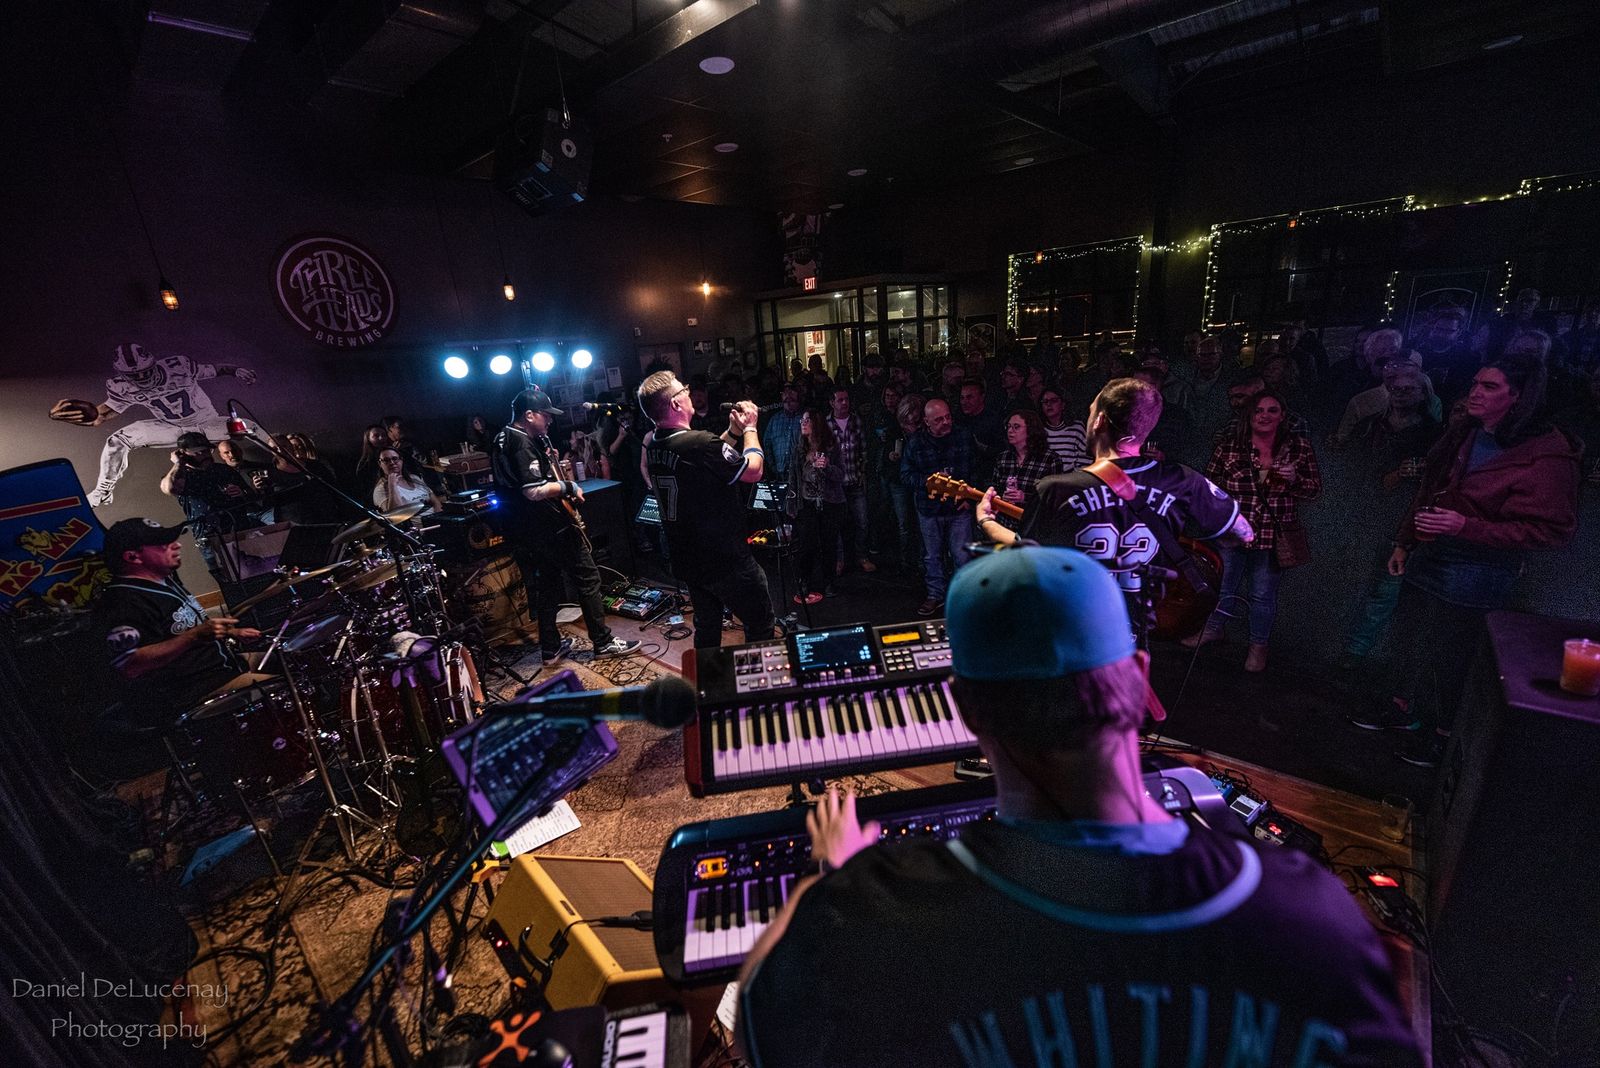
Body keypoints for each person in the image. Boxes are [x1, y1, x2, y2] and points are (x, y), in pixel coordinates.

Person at [736, 546, 1423, 1068]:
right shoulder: (1310, 912)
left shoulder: (865, 916)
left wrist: (835, 877)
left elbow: (758, 1032)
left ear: (965, 711)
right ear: (1141, 680)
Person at [1349, 354, 1580, 767]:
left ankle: (1441, 736)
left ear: (1518, 396)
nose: (1475, 392)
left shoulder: (1545, 454)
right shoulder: (1467, 430)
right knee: (1410, 636)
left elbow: (1552, 531)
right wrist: (1404, 542)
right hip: (1433, 549)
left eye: (1489, 387)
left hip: (1481, 567)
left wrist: (1466, 526)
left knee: (1452, 655)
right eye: (1475, 384)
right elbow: (1429, 490)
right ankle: (1402, 709)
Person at [977, 379, 1253, 594]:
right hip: (1138, 630)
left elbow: (1028, 554)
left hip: (1076, 626)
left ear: (1099, 421)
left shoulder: (1055, 488)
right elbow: (1243, 532)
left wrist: (987, 520)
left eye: (1090, 413)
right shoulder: (1182, 480)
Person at [491, 388, 640, 666]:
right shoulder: (521, 442)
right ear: (529, 415)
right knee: (588, 577)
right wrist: (567, 486)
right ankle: (603, 642)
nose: (550, 421)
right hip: (548, 525)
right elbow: (532, 490)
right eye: (545, 415)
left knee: (548, 584)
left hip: (526, 528)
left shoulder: (503, 436)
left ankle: (550, 649)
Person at [639, 370, 776, 649]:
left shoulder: (654, 443)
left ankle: (709, 676)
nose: (689, 393)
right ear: (675, 403)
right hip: (725, 560)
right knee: (760, 623)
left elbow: (709, 460)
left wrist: (733, 432)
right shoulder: (698, 443)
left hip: (689, 559)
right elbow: (753, 471)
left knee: (707, 626)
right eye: (684, 390)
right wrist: (750, 429)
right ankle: (757, 676)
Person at [1190, 391, 1323, 673]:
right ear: (1249, 416)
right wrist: (1220, 517)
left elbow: (1313, 491)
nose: (1264, 416)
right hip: (1234, 532)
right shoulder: (1230, 447)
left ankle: (1258, 647)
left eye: (1272, 410)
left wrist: (1294, 479)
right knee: (1222, 587)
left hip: (1272, 535)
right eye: (1259, 410)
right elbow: (1207, 488)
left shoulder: (1298, 448)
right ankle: (1213, 629)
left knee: (1262, 595)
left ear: (1282, 416)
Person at [93, 518, 259, 728]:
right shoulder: (123, 601)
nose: (176, 545)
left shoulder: (164, 581)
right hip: (195, 691)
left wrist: (230, 632)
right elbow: (130, 665)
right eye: (163, 544)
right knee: (288, 684)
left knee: (291, 655)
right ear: (133, 556)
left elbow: (181, 628)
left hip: (221, 668)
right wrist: (193, 636)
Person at [901, 398, 978, 616]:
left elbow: (975, 469)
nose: (945, 422)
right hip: (929, 508)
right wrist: (929, 481)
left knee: (962, 555)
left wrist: (970, 499)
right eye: (938, 420)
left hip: (959, 507)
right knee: (932, 556)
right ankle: (935, 595)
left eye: (947, 417)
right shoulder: (916, 442)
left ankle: (963, 596)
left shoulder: (963, 436)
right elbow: (905, 475)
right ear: (926, 421)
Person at [158, 431, 255, 580]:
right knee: (228, 580)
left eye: (207, 450)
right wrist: (178, 463)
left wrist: (242, 493)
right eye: (199, 452)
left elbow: (251, 495)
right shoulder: (181, 476)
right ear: (183, 453)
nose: (206, 455)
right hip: (209, 536)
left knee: (255, 571)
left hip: (239, 529)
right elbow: (169, 488)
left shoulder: (223, 469)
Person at [790, 410, 846, 604]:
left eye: (807, 420)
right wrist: (791, 504)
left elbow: (841, 475)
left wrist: (827, 467)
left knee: (829, 544)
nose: (803, 423)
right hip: (807, 503)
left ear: (817, 423)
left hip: (830, 503)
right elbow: (792, 477)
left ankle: (829, 582)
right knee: (807, 544)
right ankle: (804, 581)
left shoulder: (831, 446)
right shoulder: (799, 448)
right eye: (802, 420)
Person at [828, 386, 875, 573]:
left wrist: (862, 472)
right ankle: (839, 560)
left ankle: (861, 556)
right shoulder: (826, 424)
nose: (844, 403)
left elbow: (864, 449)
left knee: (862, 521)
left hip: (855, 480)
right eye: (840, 400)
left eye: (846, 399)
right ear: (832, 403)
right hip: (836, 484)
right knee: (838, 525)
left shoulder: (856, 421)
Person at [992, 409, 1063, 528]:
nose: (1010, 431)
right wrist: (1001, 496)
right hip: (1004, 523)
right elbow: (994, 488)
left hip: (1034, 525)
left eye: (1016, 427)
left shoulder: (1050, 459)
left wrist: (1025, 497)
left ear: (1031, 430)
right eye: (1008, 427)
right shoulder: (1003, 458)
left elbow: (1056, 499)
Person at [373, 447, 443, 514]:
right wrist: (392, 485)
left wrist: (439, 515)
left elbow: (435, 501)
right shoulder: (380, 490)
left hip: (435, 518)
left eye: (395, 458)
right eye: (386, 460)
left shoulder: (414, 478)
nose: (392, 462)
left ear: (401, 460)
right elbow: (395, 514)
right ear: (380, 464)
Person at [1038, 387, 1090, 471]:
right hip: (1045, 476)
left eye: (1053, 400)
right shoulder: (1039, 429)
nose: (1049, 404)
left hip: (1070, 476)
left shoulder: (1076, 428)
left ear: (1063, 405)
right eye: (1045, 401)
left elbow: (1085, 458)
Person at [762, 385, 805, 484]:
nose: (788, 395)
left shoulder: (805, 418)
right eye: (785, 393)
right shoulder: (774, 419)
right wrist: (773, 467)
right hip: (779, 474)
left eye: (792, 393)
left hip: (802, 474)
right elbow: (767, 444)